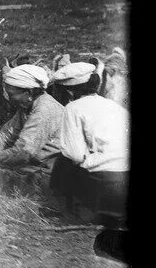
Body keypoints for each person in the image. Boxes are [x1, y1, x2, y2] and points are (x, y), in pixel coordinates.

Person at [49, 62, 129, 220]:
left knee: (63, 159)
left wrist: (88, 157)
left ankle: (69, 209)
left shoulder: (73, 108)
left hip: (105, 183)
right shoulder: (115, 106)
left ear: (70, 91)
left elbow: (75, 155)